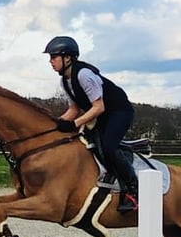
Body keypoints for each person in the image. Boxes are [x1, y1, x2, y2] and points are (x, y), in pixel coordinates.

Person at [43, 35, 139, 212]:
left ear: (67, 58)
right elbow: (73, 109)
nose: (51, 61)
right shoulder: (65, 80)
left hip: (119, 112)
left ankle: (133, 189)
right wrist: (55, 125)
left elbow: (98, 107)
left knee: (109, 147)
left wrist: (74, 124)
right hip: (102, 114)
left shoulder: (84, 75)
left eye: (53, 57)